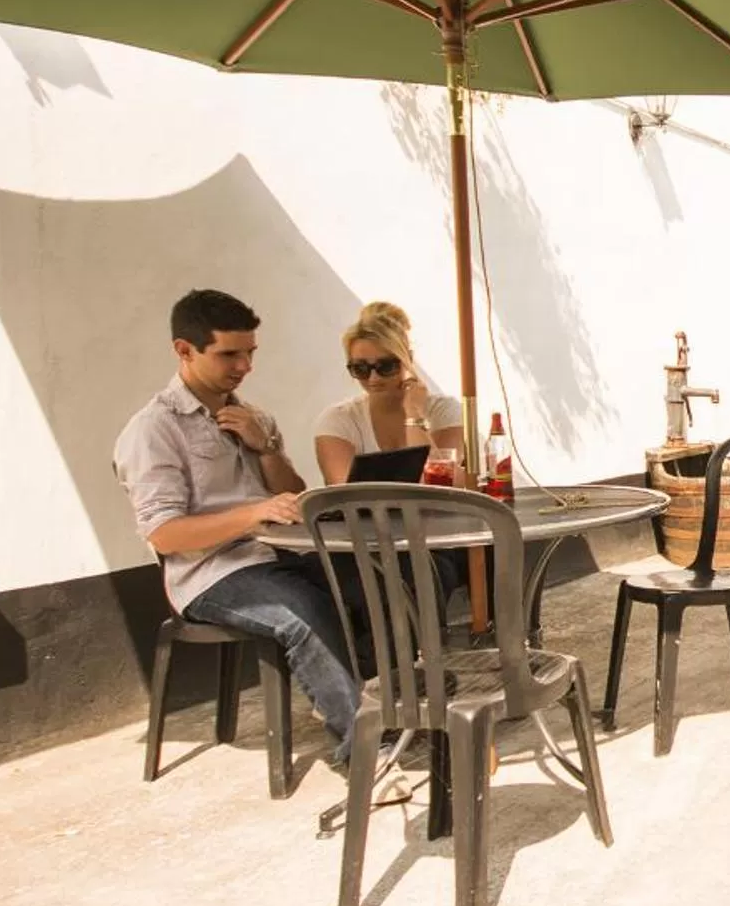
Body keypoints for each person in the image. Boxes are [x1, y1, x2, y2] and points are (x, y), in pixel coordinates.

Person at [114, 288, 361, 766]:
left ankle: (384, 705)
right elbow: (164, 534)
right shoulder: (153, 430)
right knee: (302, 611)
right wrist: (252, 514)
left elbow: (294, 488)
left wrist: (265, 446)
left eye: (250, 353)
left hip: (277, 556)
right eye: (229, 354)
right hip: (211, 573)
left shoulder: (254, 416)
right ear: (184, 351)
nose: (245, 366)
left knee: (376, 582)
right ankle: (366, 749)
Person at [313, 301, 469, 485]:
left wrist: (413, 414)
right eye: (360, 368)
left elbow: (437, 486)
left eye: (386, 366)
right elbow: (347, 496)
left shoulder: (445, 411)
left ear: (407, 360)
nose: (373, 378)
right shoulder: (338, 420)